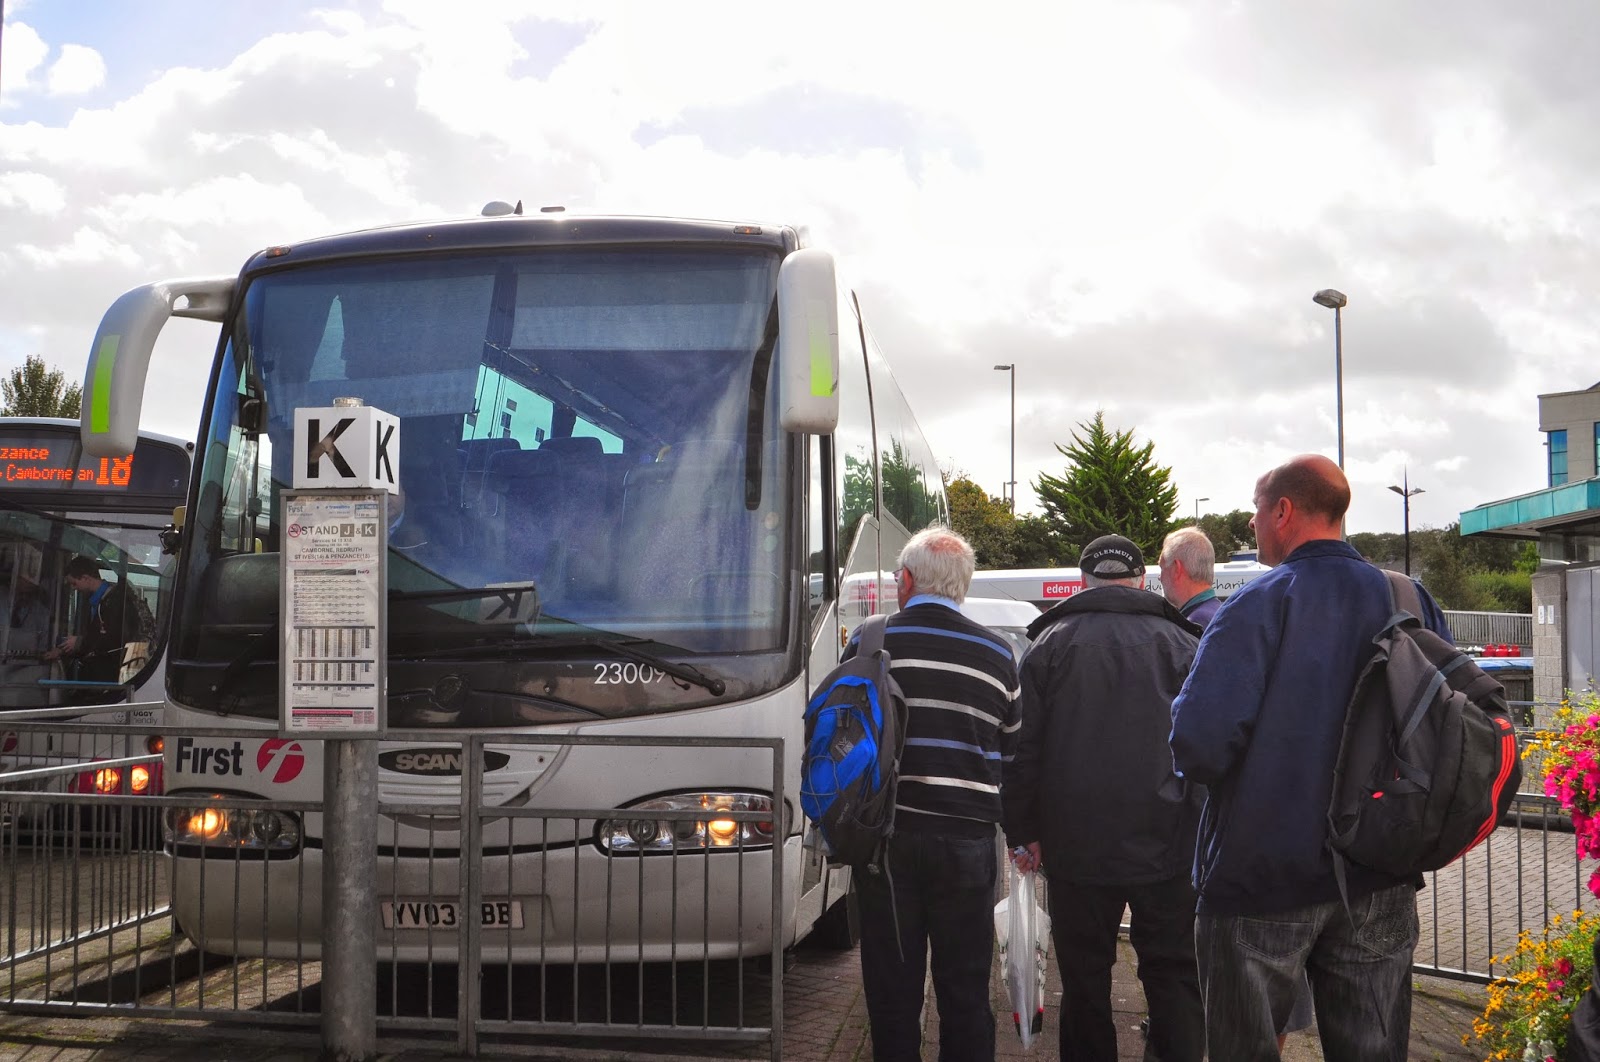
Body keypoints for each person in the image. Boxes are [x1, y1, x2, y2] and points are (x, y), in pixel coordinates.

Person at [1170, 454, 1451, 1061]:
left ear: (1284, 511)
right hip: (1380, 870)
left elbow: (1198, 743)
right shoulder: (1408, 596)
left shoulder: (1256, 605)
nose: (1250, 524)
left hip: (1262, 876)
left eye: (1254, 509)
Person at [1002, 534, 1205, 1062]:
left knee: (1085, 979)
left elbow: (1024, 753)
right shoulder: (1184, 644)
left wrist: (1023, 832)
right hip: (1168, 843)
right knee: (1173, 973)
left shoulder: (1049, 645)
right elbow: (1205, 746)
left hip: (1077, 847)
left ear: (1082, 581)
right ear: (1142, 580)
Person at [847, 526, 1021, 1062]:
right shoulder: (998, 654)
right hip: (966, 842)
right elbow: (1010, 754)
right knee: (966, 988)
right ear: (962, 586)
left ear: (905, 580)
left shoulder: (870, 643)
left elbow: (846, 737)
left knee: (892, 987)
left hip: (885, 841)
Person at [1161, 524, 1315, 1049]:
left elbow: (1201, 738)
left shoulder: (1217, 622)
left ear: (1176, 569)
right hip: (1330, 840)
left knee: (1244, 994)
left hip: (1237, 831)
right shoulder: (1385, 595)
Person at [43, 556, 136, 700]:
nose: (74, 589)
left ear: (86, 578)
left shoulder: (115, 601)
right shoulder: (95, 602)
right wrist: (64, 650)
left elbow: (114, 639)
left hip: (111, 673)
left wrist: (80, 642)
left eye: (74, 583)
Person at [1157, 526, 1222, 627]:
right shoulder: (1220, 612)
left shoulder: (1195, 623)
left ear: (1176, 569)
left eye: (1162, 568)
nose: (1159, 577)